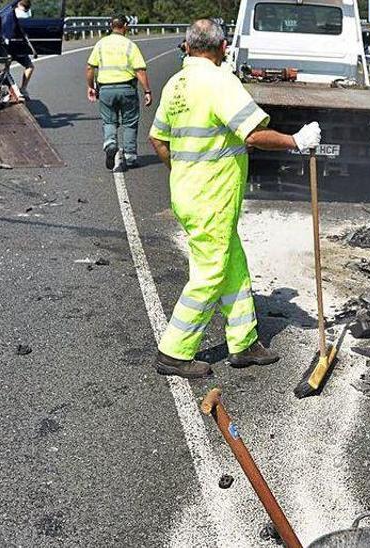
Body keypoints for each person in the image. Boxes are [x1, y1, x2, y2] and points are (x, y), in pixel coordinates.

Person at [147, 19, 322, 378]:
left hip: (188, 192)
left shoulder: (175, 84)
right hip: (212, 196)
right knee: (210, 272)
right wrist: (296, 141)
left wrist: (182, 172)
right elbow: (253, 135)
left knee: (233, 265)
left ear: (187, 45)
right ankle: (174, 351)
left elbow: (157, 139)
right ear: (222, 47)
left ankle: (243, 343)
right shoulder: (219, 81)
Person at [85, 15, 153, 171]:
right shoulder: (130, 45)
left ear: (111, 26)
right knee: (130, 122)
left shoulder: (101, 44)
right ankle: (130, 156)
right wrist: (147, 91)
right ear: (126, 26)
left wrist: (90, 86)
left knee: (109, 121)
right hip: (127, 89)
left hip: (106, 90)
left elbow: (90, 67)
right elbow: (140, 70)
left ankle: (110, 143)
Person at [12, 0, 35, 95]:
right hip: (21, 48)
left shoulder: (14, 12)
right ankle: (23, 88)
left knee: (4, 69)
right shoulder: (28, 14)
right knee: (30, 66)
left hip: (10, 46)